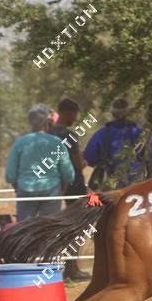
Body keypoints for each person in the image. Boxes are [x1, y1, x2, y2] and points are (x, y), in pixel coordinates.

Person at [6, 104, 75, 221]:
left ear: (30, 122)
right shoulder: (57, 142)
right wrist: (63, 188)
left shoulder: (20, 143)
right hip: (52, 190)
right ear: (47, 122)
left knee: (24, 227)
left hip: (25, 188)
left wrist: (18, 188)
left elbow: (10, 174)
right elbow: (68, 173)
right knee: (49, 227)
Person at [48, 97, 90, 279]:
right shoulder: (69, 135)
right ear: (67, 113)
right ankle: (72, 268)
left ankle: (54, 265)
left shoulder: (48, 132)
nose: (75, 118)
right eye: (74, 114)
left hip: (53, 183)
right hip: (74, 185)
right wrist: (84, 162)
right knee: (78, 225)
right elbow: (77, 164)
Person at [84, 98, 146, 188]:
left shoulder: (102, 133)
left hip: (111, 182)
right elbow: (150, 155)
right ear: (128, 113)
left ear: (112, 113)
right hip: (136, 182)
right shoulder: (139, 133)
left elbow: (89, 157)